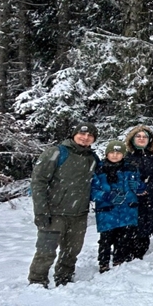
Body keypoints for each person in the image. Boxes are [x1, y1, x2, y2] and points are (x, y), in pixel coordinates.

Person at [28, 123, 100, 287]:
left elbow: (95, 183)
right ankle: (37, 281)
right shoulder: (56, 153)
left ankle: (64, 277)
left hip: (79, 213)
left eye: (90, 135)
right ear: (74, 134)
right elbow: (38, 182)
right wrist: (41, 211)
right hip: (54, 212)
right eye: (82, 134)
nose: (85, 137)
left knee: (72, 251)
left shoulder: (92, 158)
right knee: (46, 251)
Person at [91, 140, 143, 273]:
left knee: (123, 237)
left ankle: (119, 259)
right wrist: (106, 196)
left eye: (118, 152)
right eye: (112, 152)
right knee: (106, 239)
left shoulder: (131, 168)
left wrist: (139, 187)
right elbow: (92, 191)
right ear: (106, 153)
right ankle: (104, 262)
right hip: (107, 212)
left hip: (127, 210)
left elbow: (140, 185)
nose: (115, 155)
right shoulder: (99, 169)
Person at [124, 125, 153, 259]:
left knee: (147, 224)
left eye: (144, 137)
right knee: (131, 225)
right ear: (132, 139)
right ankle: (128, 252)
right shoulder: (126, 156)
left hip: (151, 196)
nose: (141, 139)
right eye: (138, 136)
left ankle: (141, 251)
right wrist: (135, 187)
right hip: (132, 197)